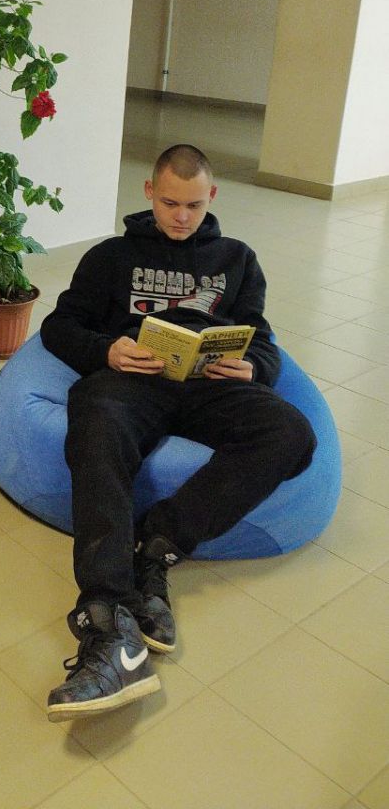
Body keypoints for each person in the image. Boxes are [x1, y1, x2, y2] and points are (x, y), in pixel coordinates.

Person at [40, 144, 315, 719]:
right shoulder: (111, 256)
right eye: (170, 203)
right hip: (133, 380)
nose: (181, 216)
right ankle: (109, 618)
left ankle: (160, 544)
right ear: (149, 192)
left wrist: (252, 366)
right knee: (94, 423)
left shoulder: (238, 258)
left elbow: (262, 338)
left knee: (291, 433)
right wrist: (107, 351)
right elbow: (60, 326)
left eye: (193, 205)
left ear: (211, 196)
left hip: (209, 382)